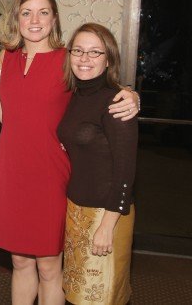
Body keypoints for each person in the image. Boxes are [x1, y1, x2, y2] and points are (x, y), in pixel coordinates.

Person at [0, 0, 139, 305]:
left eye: (43, 12)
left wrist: (130, 94)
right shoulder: (4, 58)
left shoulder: (67, 60)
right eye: (26, 13)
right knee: (19, 261)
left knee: (49, 265)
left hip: (50, 176)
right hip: (11, 173)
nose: (35, 20)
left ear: (55, 18)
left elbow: (100, 88)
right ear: (17, 18)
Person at [58, 23, 138, 305]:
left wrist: (107, 225)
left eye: (95, 52)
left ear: (108, 60)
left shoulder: (117, 102)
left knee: (102, 297)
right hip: (76, 211)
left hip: (106, 214)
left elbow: (126, 171)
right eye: (78, 50)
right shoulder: (75, 95)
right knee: (77, 294)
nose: (85, 58)